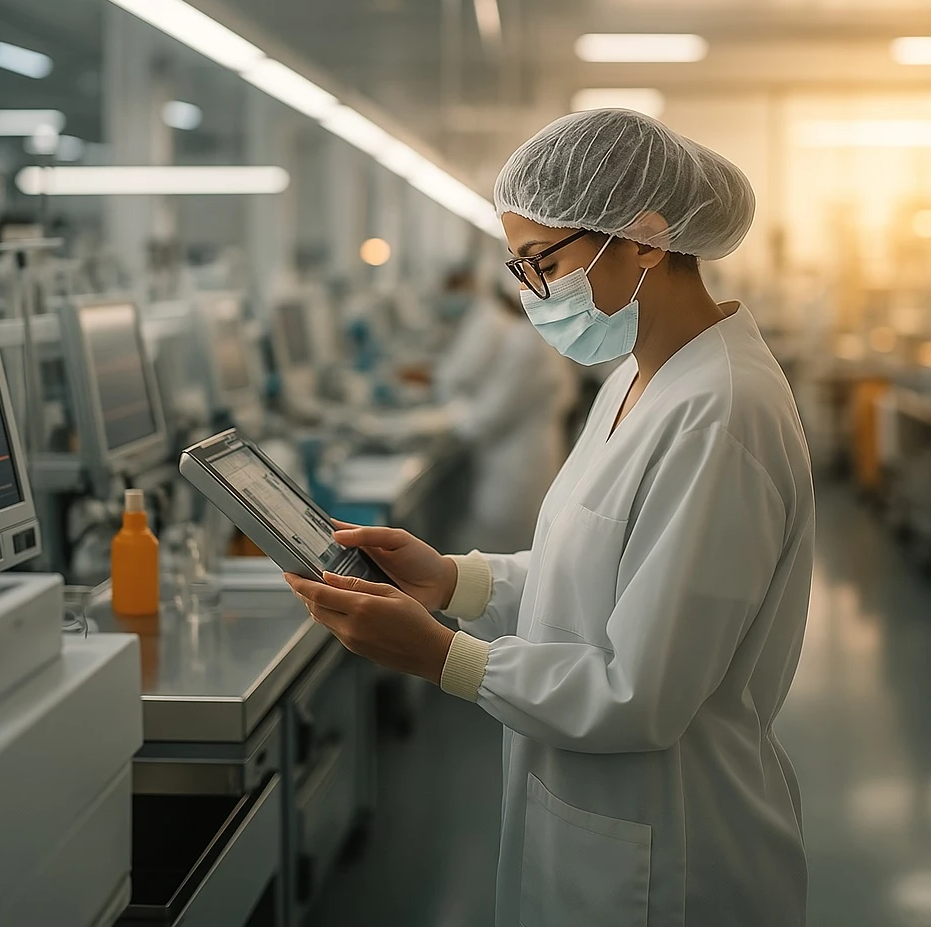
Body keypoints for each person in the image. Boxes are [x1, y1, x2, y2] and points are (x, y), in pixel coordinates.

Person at [286, 109, 814, 927]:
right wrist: (455, 581)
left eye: (543, 262)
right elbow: (598, 566)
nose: (533, 292)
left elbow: (639, 694)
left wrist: (443, 659)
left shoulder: (722, 412)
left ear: (643, 240)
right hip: (603, 819)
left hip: (671, 851)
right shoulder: (638, 378)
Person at [435, 267, 577, 552]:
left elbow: (490, 415)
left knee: (496, 552)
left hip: (514, 471)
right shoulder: (535, 339)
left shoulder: (526, 343)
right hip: (531, 458)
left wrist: (437, 423)